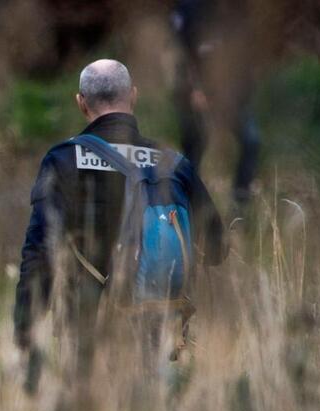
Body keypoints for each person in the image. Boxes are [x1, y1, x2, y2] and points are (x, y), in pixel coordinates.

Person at [13, 59, 225, 382]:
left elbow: (40, 251)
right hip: (161, 326)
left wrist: (25, 329)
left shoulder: (63, 160)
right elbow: (217, 246)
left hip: (86, 329)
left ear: (81, 102)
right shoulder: (174, 164)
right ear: (134, 96)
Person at [171, 0, 260, 215]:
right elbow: (178, 55)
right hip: (197, 94)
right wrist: (193, 89)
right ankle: (189, 208)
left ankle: (239, 210)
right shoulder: (187, 9)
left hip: (230, 95)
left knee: (251, 141)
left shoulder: (235, 10)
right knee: (193, 151)